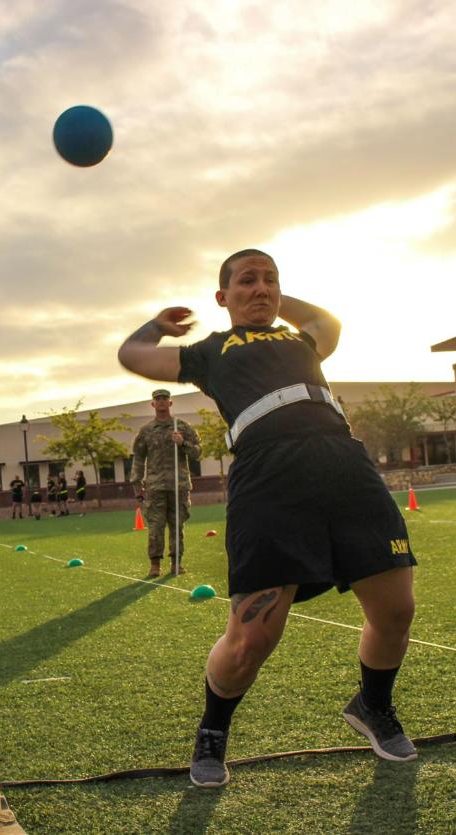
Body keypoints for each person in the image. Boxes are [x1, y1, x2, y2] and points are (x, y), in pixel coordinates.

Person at [118, 248, 417, 788]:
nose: (261, 288)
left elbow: (327, 322)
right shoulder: (210, 350)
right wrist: (157, 325)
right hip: (269, 477)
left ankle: (373, 706)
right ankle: (212, 732)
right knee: (253, 634)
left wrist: (275, 298)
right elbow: (134, 355)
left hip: (343, 463)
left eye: (270, 280)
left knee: (396, 610)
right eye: (247, 281)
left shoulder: (300, 340)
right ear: (221, 297)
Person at [130, 389, 201, 577]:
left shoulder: (182, 427)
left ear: (170, 403)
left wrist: (183, 443)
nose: (161, 402)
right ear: (152, 404)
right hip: (154, 487)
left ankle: (176, 562)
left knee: (177, 525)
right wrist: (137, 485)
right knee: (155, 526)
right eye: (157, 399)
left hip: (179, 486)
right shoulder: (145, 431)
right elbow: (138, 458)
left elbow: (197, 452)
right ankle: (155, 564)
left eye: (164, 399)